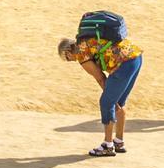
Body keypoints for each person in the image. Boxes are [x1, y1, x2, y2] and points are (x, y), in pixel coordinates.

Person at [60, 24, 142, 157]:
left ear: (69, 51)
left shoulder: (80, 54)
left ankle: (107, 145)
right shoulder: (86, 41)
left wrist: (109, 97)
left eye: (67, 58)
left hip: (124, 63)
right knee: (119, 103)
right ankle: (119, 142)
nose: (70, 60)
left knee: (106, 103)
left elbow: (100, 77)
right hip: (135, 57)